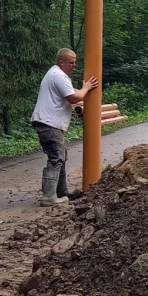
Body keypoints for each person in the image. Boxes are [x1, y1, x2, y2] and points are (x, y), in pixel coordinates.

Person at [31, 48, 98, 207]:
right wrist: (86, 88)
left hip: (48, 122)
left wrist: (79, 94)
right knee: (56, 158)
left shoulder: (55, 74)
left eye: (75, 62)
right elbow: (74, 96)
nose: (74, 65)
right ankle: (49, 197)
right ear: (61, 62)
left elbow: (70, 96)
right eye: (71, 62)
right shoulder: (59, 76)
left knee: (61, 156)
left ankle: (60, 192)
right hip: (49, 123)